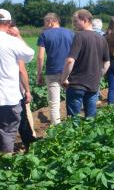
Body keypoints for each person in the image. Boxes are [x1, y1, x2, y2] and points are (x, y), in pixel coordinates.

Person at [60, 9, 109, 119]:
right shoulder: (102, 38)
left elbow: (70, 60)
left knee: (73, 120)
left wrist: (64, 78)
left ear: (85, 20)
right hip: (93, 85)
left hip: (77, 83)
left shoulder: (79, 36)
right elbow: (107, 63)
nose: (73, 24)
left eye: (76, 21)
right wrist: (98, 75)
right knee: (90, 119)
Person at [0, 9, 35, 153]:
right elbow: (29, 55)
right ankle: (5, 164)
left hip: (7, 94)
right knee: (7, 131)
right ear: (8, 24)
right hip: (8, 96)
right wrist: (18, 36)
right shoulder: (11, 41)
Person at [36, 12, 74, 125]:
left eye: (45, 23)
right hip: (69, 70)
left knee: (54, 104)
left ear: (50, 22)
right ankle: (73, 125)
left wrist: (39, 74)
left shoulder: (44, 34)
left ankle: (57, 131)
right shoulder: (70, 33)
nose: (44, 26)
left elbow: (40, 56)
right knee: (72, 99)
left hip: (52, 71)